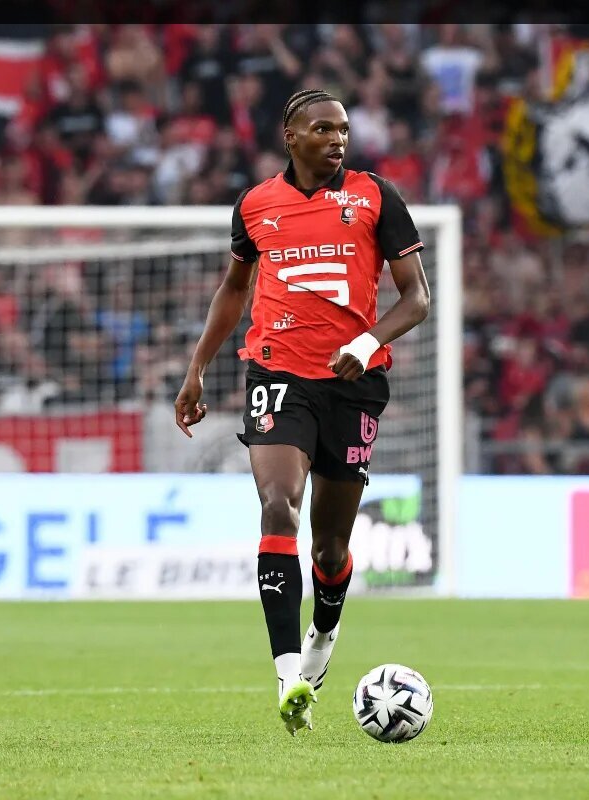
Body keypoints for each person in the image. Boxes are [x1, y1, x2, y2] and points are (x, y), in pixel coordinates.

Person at [174, 89, 430, 735]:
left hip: (353, 383)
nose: (337, 138)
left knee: (332, 545)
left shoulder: (375, 197)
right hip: (277, 371)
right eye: (322, 129)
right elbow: (235, 288)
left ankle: (324, 631)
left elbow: (416, 299)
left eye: (342, 128)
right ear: (291, 137)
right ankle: (288, 674)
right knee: (276, 504)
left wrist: (365, 343)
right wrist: (198, 367)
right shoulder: (256, 205)